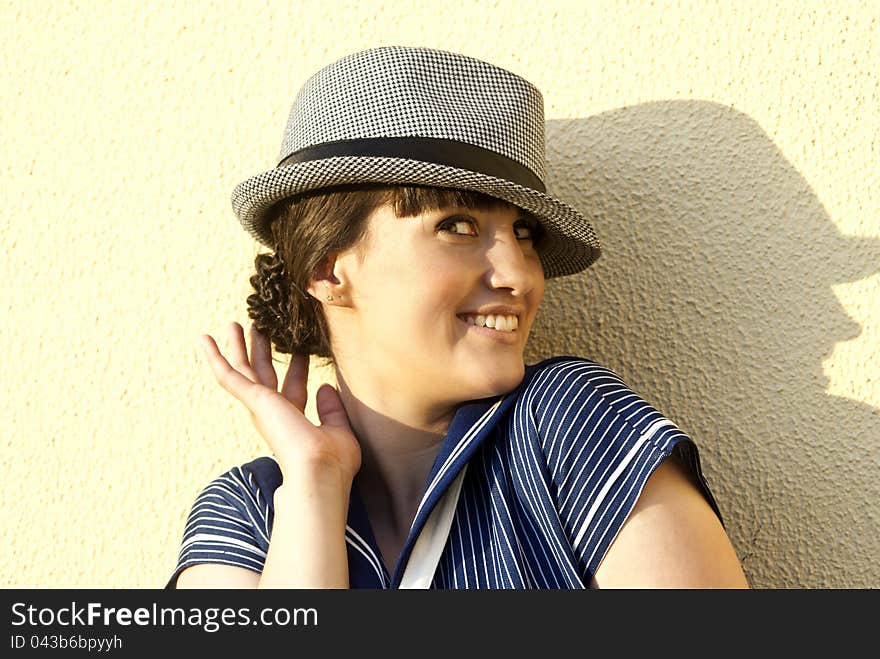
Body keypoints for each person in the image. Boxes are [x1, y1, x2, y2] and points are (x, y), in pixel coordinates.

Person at [166, 46, 748, 589]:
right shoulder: (248, 514)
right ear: (326, 269)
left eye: (523, 234)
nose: (519, 275)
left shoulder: (565, 427)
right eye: (458, 227)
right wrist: (315, 488)